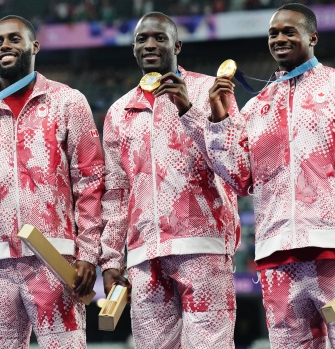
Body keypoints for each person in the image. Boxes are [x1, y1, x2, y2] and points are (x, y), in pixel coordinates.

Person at [190, 3, 335, 348]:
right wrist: (218, 121)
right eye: (273, 33)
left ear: (312, 37)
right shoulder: (256, 106)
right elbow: (241, 180)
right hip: (277, 256)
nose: (279, 38)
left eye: (289, 31)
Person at [0, 15, 104, 348]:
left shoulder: (68, 101)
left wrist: (89, 254)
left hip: (55, 256)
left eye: (13, 39)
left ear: (34, 46)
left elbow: (90, 179)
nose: (4, 45)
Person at [99, 12, 240, 349]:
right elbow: (117, 192)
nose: (150, 44)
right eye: (142, 39)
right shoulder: (119, 112)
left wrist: (188, 108)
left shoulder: (211, 91)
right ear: (133, 48)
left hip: (203, 245)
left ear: (176, 45)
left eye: (159, 38)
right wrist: (110, 260)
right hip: (145, 254)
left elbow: (236, 167)